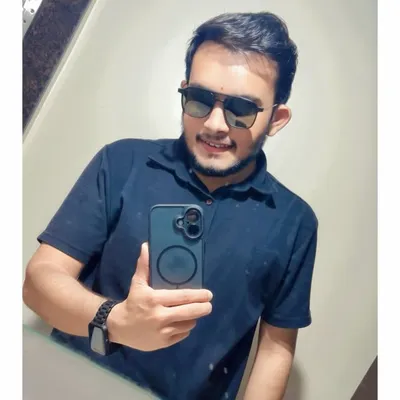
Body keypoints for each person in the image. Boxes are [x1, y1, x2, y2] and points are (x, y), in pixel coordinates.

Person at [23, 11, 319, 400]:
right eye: (199, 99)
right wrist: (116, 321)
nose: (214, 124)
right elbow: (39, 282)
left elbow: (275, 348)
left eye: (241, 110)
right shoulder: (123, 162)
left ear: (276, 119)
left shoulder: (295, 222)